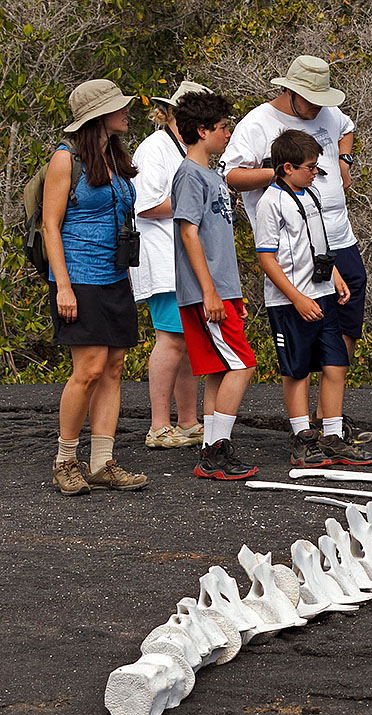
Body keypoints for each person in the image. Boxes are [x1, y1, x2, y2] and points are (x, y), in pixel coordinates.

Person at [221, 54, 372, 445]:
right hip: (292, 242)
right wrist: (280, 173)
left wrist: (343, 160)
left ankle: (330, 418)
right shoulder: (258, 123)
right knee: (300, 340)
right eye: (310, 98)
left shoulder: (330, 112)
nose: (317, 106)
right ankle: (303, 429)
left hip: (338, 236)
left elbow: (347, 127)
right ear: (289, 90)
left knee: (343, 320)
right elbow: (233, 175)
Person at [43, 79, 148, 495]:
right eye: (118, 107)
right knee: (86, 370)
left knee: (114, 368)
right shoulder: (65, 160)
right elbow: (51, 225)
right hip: (80, 277)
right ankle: (65, 460)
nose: (126, 112)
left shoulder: (114, 157)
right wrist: (62, 287)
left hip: (115, 276)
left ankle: (102, 462)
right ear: (98, 116)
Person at [255, 129, 372, 467]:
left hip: (322, 293)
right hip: (291, 300)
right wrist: (296, 298)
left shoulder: (311, 195)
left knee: (336, 363)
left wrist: (335, 275)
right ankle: (302, 438)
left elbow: (319, 245)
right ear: (287, 167)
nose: (315, 173)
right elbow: (267, 257)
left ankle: (333, 435)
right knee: (297, 370)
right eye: (310, 168)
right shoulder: (271, 202)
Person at [170, 91, 258, 480]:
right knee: (243, 363)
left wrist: (230, 292)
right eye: (223, 127)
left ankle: (211, 450)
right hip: (208, 290)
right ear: (202, 130)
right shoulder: (189, 174)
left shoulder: (212, 174)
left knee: (220, 369)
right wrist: (209, 292)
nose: (228, 133)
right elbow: (188, 233)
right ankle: (217, 449)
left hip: (222, 287)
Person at [131, 81, 211, 450]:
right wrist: (195, 205)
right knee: (171, 340)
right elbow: (146, 203)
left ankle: (188, 420)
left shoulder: (184, 149)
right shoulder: (154, 149)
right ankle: (159, 425)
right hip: (162, 259)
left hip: (181, 259)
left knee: (187, 340)